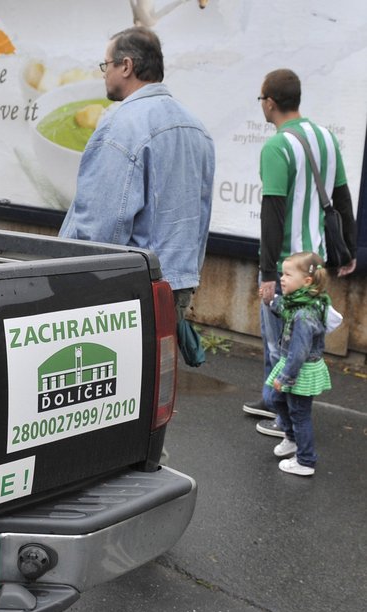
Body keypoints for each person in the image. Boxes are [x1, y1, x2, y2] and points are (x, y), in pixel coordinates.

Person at [59, 27, 215, 320]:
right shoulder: (198, 129)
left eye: (107, 65)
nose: (104, 73)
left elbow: (100, 227)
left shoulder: (120, 124)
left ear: (127, 66)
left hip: (125, 291)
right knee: (156, 366)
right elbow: (200, 217)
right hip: (177, 287)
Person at [243, 68, 356, 433]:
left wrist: (268, 275)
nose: (262, 106)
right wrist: (349, 250)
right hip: (315, 262)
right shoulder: (325, 137)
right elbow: (341, 198)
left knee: (281, 344)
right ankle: (270, 399)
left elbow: (272, 212)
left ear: (270, 102)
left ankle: (284, 419)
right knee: (297, 341)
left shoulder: (277, 146)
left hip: (287, 265)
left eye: (262, 100)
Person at [265, 251, 331, 476]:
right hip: (292, 365)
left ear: (307, 281)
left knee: (299, 413)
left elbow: (299, 352)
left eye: (287, 274)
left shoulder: (304, 315)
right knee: (277, 400)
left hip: (299, 369)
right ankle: (291, 439)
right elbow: (283, 308)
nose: (282, 278)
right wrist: (271, 301)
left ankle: (305, 460)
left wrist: (285, 377)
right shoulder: (297, 304)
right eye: (282, 274)